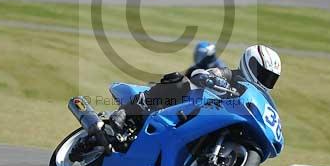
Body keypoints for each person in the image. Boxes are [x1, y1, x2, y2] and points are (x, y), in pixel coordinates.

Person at [105, 45, 281, 142]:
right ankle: (130, 109)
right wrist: (209, 77)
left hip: (211, 121)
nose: (265, 80)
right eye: (262, 73)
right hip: (192, 107)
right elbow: (207, 73)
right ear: (250, 64)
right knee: (179, 81)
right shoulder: (231, 74)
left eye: (270, 78)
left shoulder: (255, 98)